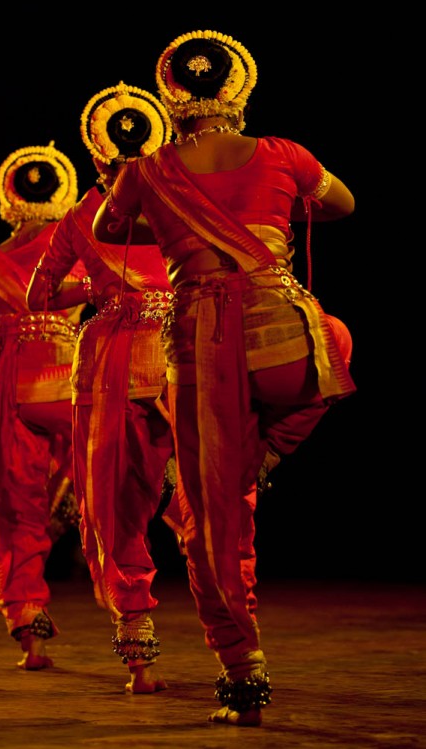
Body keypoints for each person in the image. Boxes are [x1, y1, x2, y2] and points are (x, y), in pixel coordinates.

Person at [92, 30, 357, 726]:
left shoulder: (145, 171)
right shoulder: (282, 154)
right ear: (237, 92)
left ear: (171, 97)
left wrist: (175, 223)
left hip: (202, 350)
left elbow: (111, 228)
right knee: (335, 342)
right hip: (281, 339)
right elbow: (344, 205)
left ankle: (242, 672)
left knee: (213, 521)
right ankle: (268, 452)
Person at [26, 82, 177, 694]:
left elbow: (40, 297)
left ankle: (139, 654)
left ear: (94, 157)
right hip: (187, 347)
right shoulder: (182, 198)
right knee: (211, 504)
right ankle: (240, 663)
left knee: (115, 507)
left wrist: (93, 290)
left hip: (116, 355)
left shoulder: (78, 218)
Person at [0, 142, 86, 670]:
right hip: (63, 377)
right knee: (112, 470)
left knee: (12, 503)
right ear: (65, 192)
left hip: (0, 382)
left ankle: (29, 622)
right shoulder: (76, 242)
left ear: (8, 196)